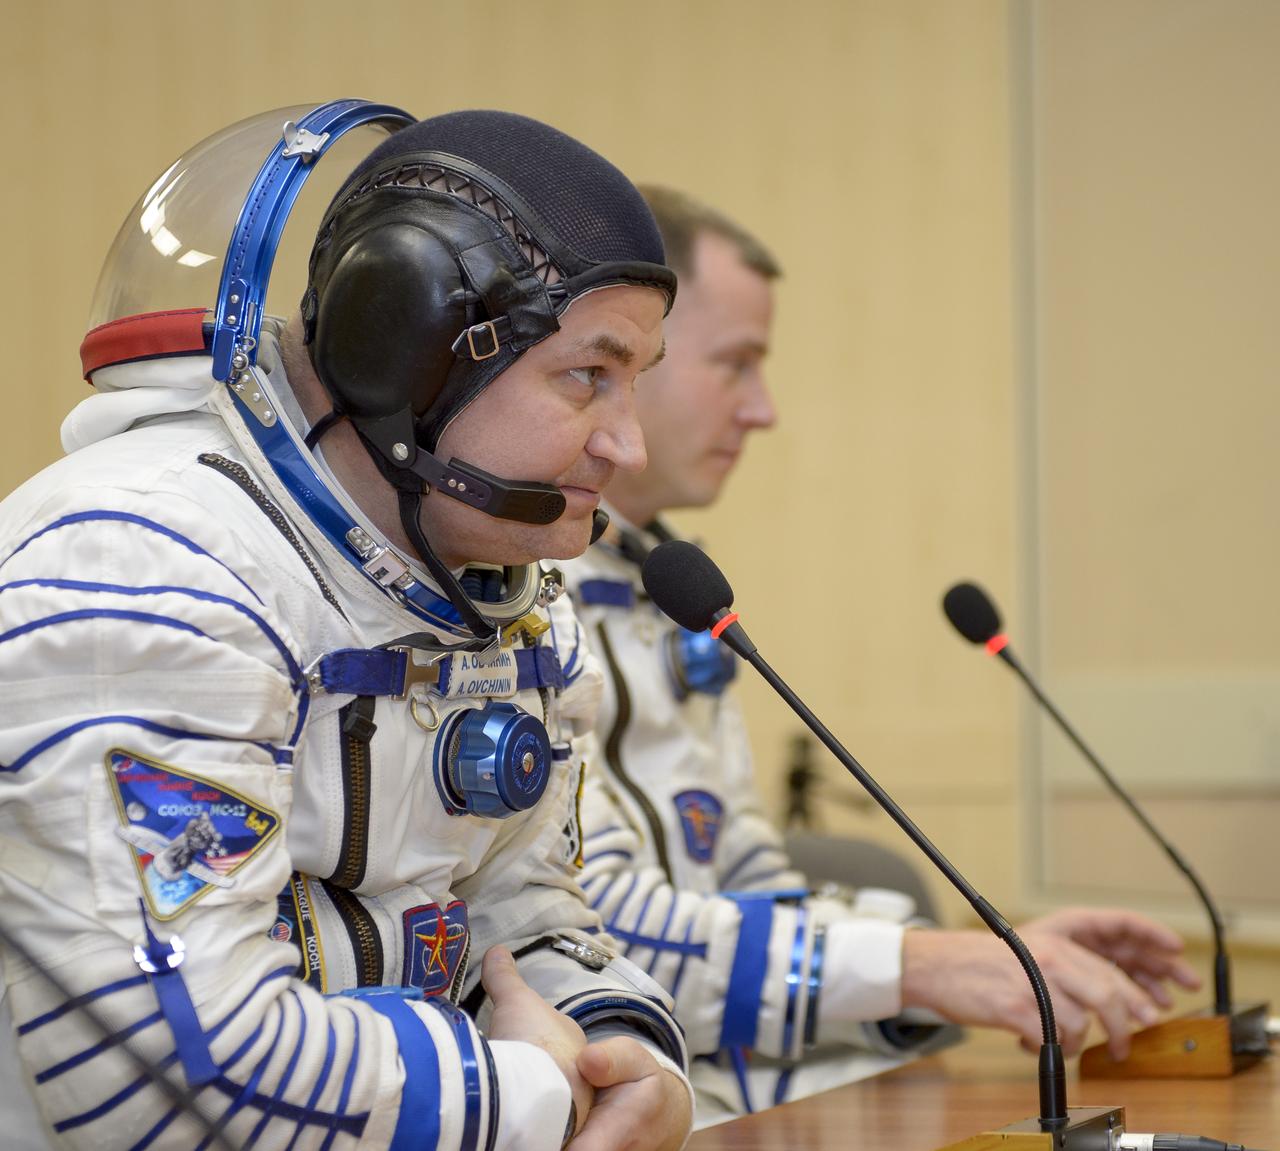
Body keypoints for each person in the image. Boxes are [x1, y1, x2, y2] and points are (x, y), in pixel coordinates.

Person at [0, 105, 692, 1151]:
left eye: (635, 381)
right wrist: (531, 1095)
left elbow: (527, 916)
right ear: (404, 348)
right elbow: (166, 1082)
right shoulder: (140, 566)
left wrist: (628, 1057)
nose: (627, 445)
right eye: (586, 374)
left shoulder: (487, 590)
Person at [562, 186, 1202, 1123]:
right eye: (736, 365)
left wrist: (993, 958)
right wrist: (927, 967)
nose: (764, 411)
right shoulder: (515, 603)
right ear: (632, 357)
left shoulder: (674, 588)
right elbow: (593, 938)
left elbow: (753, 886)